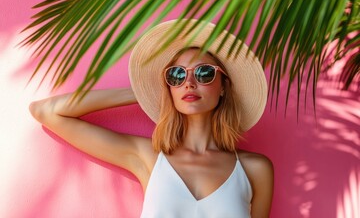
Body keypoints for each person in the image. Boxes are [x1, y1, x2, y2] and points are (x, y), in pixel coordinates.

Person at [30, 19, 274, 218]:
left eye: (204, 73)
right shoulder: (148, 157)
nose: (189, 83)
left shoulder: (255, 169)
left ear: (223, 86)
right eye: (177, 75)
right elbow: (46, 111)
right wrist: (139, 91)